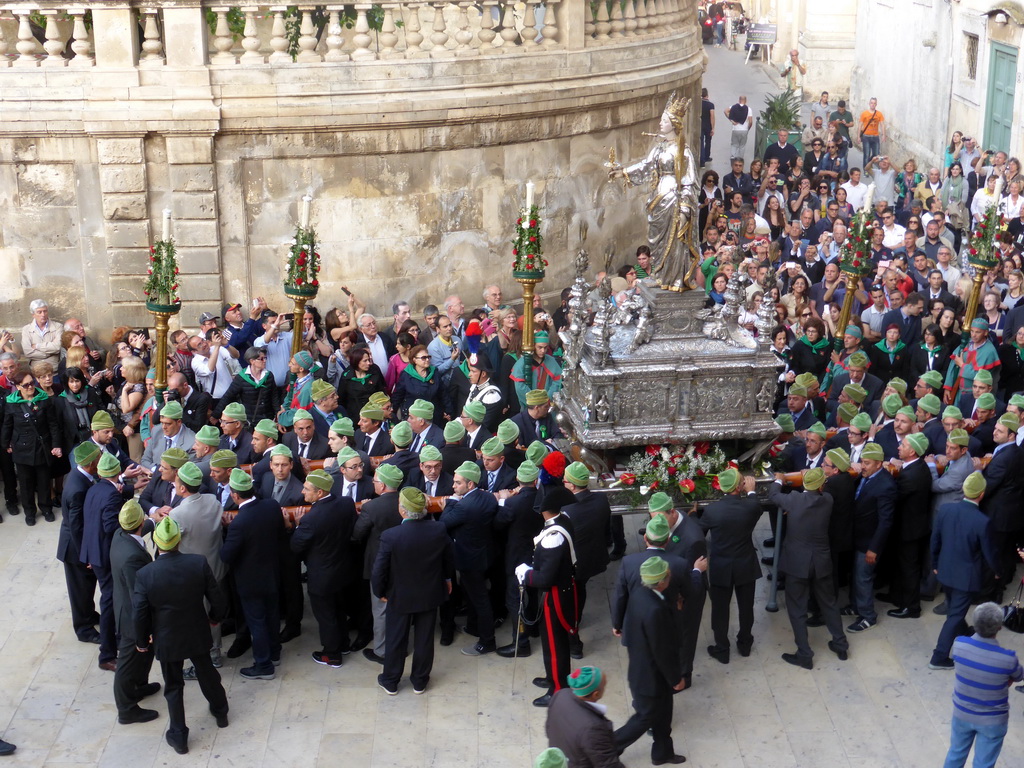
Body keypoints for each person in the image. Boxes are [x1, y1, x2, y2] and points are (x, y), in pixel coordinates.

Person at [132, 517, 230, 755]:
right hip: (196, 630)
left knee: (173, 686)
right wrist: (216, 617)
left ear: (156, 541)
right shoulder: (197, 563)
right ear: (179, 540)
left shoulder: (146, 574)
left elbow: (140, 614)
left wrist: (142, 641)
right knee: (207, 673)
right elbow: (216, 596)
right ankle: (220, 712)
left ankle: (179, 736)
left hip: (167, 638)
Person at [372, 487, 454, 695]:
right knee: (425, 639)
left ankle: (390, 680)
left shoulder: (391, 536)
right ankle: (420, 681)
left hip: (399, 596)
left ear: (402, 510)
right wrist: (447, 579)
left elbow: (379, 569)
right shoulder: (439, 529)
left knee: (396, 639)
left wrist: (379, 591)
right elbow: (448, 558)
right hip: (429, 593)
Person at [768, 468, 849, 668]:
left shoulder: (794, 500)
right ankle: (840, 643)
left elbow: (773, 495)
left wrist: (779, 480)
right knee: (829, 603)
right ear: (821, 485)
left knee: (797, 609)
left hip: (797, 564)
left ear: (804, 484)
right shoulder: (827, 500)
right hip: (821, 562)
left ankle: (804, 653)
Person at [612, 556, 688, 765]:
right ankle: (610, 747)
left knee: (664, 715)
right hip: (651, 676)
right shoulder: (655, 610)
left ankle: (663, 752)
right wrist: (676, 678)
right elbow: (662, 650)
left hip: (646, 671)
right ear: (662, 581)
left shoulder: (641, 594)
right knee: (644, 718)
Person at [220, 467, 284, 681]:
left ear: (235, 495)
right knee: (273, 616)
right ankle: (274, 653)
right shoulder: (272, 506)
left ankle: (264, 664)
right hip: (273, 574)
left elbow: (226, 555)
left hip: (250, 581)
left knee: (257, 622)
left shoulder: (239, 523)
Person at [929, 472, 997, 670]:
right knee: (955, 616)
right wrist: (997, 571)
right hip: (965, 578)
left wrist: (934, 564)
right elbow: (989, 553)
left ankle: (965, 632)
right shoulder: (982, 521)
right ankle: (939, 656)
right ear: (981, 494)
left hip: (945, 571)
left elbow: (936, 540)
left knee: (954, 608)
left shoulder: (946, 510)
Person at [942, 602, 1023, 768]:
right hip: (993, 720)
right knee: (984, 764)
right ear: (999, 627)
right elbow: (1019, 676)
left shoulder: (959, 644)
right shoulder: (1008, 659)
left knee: (955, 754)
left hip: (962, 713)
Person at [291, 469, 357, 667]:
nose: (303, 492)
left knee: (326, 616)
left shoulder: (310, 519)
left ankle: (332, 654)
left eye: (307, 489)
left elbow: (295, 546)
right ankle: (343, 643)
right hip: (342, 569)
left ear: (320, 493)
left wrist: (296, 525)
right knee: (338, 610)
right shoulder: (346, 503)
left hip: (321, 576)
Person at [698, 468, 761, 663]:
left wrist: (692, 516)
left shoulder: (712, 511)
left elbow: (700, 532)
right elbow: (755, 503)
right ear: (738, 486)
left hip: (721, 567)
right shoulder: (751, 507)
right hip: (745, 564)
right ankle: (745, 644)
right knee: (746, 607)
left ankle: (722, 648)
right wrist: (751, 491)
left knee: (719, 610)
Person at [110, 499, 160, 725]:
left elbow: (138, 529)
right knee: (128, 662)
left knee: (145, 653)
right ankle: (126, 709)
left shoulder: (119, 535)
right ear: (139, 521)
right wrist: (144, 630)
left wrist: (155, 519)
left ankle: (139, 686)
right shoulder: (133, 558)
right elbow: (138, 598)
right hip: (132, 618)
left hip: (125, 606)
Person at [441, 460, 498, 656]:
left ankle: (487, 641)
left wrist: (450, 502)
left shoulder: (464, 506)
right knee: (475, 596)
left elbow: (443, 523)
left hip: (469, 560)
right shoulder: (489, 498)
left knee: (480, 600)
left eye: (457, 483)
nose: (453, 486)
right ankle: (474, 627)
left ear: (470, 484)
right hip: (484, 555)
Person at [353, 463, 404, 665]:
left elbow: (357, 535)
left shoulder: (371, 507)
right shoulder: (406, 501)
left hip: (380, 565)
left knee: (380, 610)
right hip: (403, 564)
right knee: (400, 608)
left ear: (382, 486)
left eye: (375, 481)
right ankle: (400, 646)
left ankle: (382, 651)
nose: (373, 483)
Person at [545, 667, 624, 768]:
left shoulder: (561, 694)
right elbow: (608, 764)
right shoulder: (593, 727)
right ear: (596, 694)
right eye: (604, 686)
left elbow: (549, 729)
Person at [724, 94, 752, 161]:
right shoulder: (748, 109)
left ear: (739, 100)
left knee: (734, 144)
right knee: (742, 145)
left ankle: (733, 156)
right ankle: (741, 158)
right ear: (745, 101)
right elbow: (750, 121)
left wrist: (731, 120)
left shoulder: (733, 107)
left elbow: (725, 111)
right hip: (744, 130)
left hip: (735, 129)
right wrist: (748, 128)